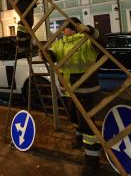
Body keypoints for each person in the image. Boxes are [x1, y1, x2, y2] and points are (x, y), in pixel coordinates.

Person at [45, 17, 102, 176]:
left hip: (86, 89)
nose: (63, 30)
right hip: (68, 90)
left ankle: (92, 161)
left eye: (65, 27)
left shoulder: (85, 41)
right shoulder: (61, 43)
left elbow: (102, 42)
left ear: (73, 28)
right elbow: (53, 55)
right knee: (74, 118)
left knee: (87, 125)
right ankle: (79, 138)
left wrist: (90, 30)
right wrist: (45, 54)